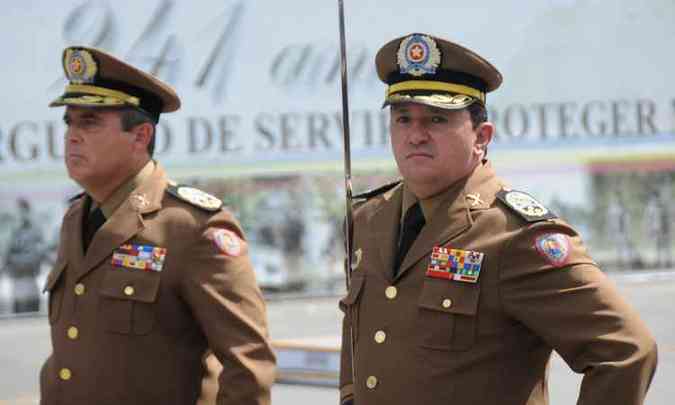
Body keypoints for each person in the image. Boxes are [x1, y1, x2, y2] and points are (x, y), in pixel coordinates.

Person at [339, 33, 657, 405]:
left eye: (437, 119)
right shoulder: (369, 219)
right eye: (402, 118)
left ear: (481, 136)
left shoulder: (516, 237)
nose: (415, 135)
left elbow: (626, 351)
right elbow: (363, 334)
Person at [41, 46, 275, 405]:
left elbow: (247, 364)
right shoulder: (76, 217)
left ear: (140, 136)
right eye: (70, 121)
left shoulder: (193, 226)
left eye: (90, 122)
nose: (73, 135)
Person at [4, 198, 46, 313]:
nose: (21, 214)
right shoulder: (11, 232)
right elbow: (7, 256)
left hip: (31, 279)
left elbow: (37, 255)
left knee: (32, 311)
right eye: (19, 211)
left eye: (23, 210)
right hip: (17, 281)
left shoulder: (36, 231)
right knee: (18, 313)